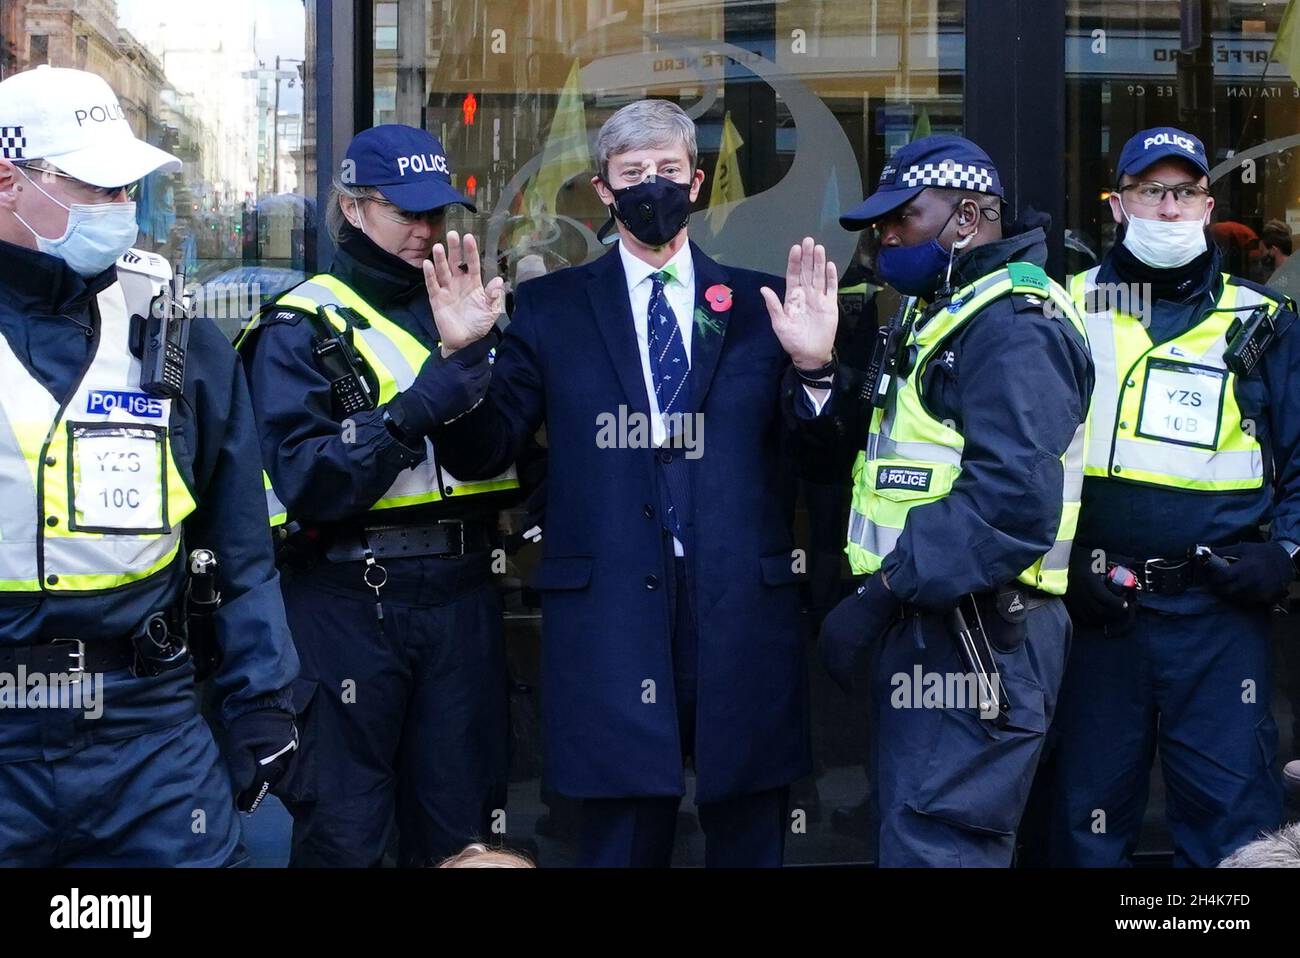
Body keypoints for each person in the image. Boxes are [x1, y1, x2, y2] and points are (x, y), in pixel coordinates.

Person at [430, 98, 837, 867]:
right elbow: (484, 453)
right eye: (634, 174)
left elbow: (817, 461)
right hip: (610, 616)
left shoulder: (761, 308)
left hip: (739, 610)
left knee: (751, 830)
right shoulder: (551, 307)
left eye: (670, 171)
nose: (654, 186)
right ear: (604, 190)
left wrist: (815, 370)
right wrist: (460, 363)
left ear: (700, 180)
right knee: (619, 841)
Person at [0, 65, 299, 865]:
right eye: (98, 187)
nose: (121, 210)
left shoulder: (173, 327)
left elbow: (239, 541)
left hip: (147, 726)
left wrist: (261, 700)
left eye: (128, 188)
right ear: (7, 181)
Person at [236, 124, 518, 867]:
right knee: (348, 832)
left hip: (462, 594)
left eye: (436, 214)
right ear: (354, 209)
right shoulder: (300, 324)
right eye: (405, 214)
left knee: (465, 831)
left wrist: (468, 361)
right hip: (347, 597)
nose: (425, 231)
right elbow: (307, 481)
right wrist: (412, 411)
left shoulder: (471, 308)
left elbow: (500, 455)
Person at [811, 134, 1094, 866]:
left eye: (903, 218)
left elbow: (1011, 501)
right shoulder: (945, 309)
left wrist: (880, 598)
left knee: (936, 849)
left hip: (976, 633)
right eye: (881, 225)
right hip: (938, 623)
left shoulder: (1013, 324)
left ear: (967, 217)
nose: (887, 237)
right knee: (917, 835)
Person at [1045, 127, 1298, 867]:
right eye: (1150, 191)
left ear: (1207, 204)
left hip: (1218, 618)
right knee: (1085, 828)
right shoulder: (1065, 306)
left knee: (1233, 829)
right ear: (1118, 206)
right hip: (1098, 612)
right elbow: (1023, 460)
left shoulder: (1262, 320)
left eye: (1183, 192)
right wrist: (1067, 560)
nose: (1167, 207)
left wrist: (1282, 556)